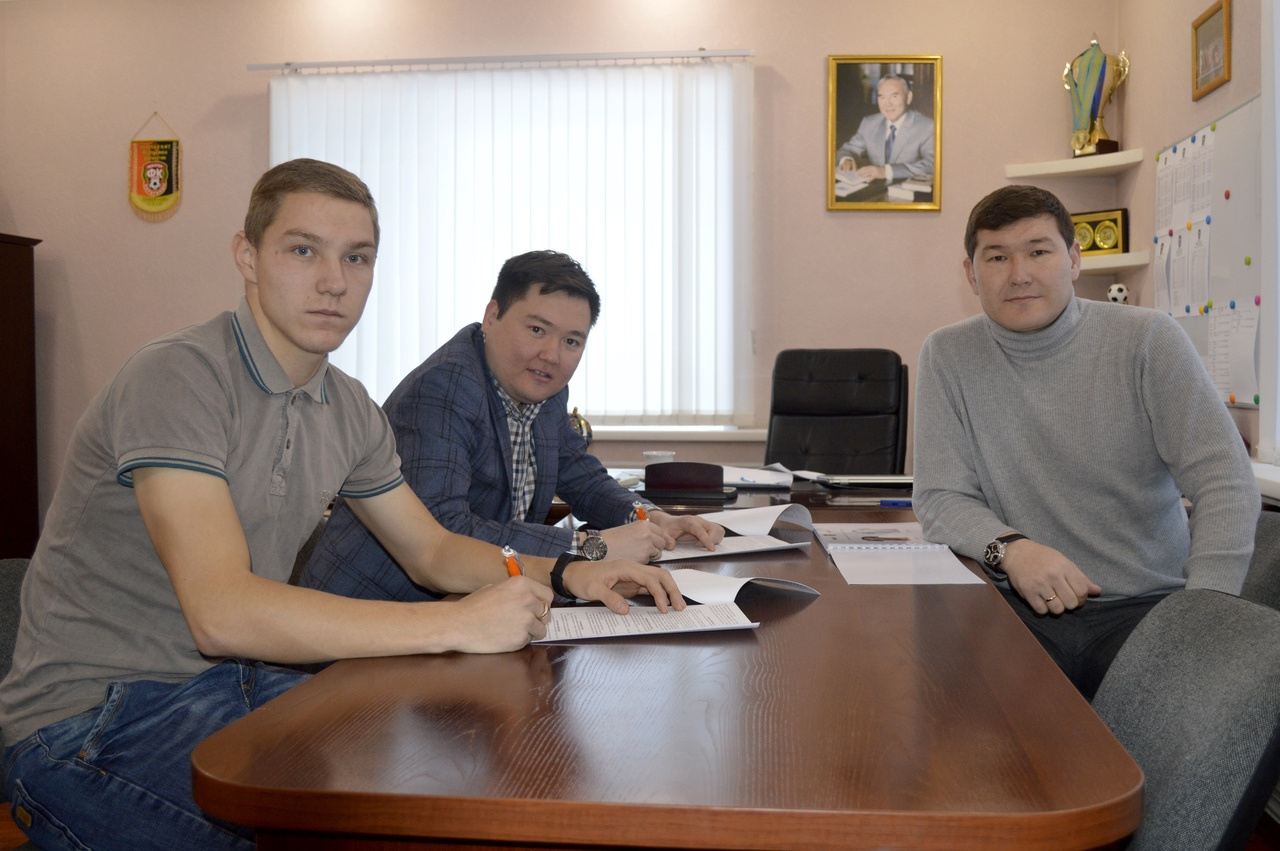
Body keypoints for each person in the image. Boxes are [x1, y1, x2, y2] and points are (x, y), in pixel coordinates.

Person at [0, 160, 683, 851]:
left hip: (236, 688)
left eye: (356, 257)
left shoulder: (349, 405)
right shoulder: (179, 374)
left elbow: (432, 549)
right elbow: (221, 612)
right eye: (303, 250)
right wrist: (455, 622)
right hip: (90, 719)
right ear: (247, 256)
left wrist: (568, 572)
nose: (334, 280)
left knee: (450, 795)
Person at [913, 184, 1258, 700]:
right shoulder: (947, 355)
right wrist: (1012, 550)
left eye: (1038, 251)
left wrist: (1203, 611)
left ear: (1074, 259)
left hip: (1145, 610)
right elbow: (941, 496)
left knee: (1151, 742)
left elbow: (1225, 482)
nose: (1019, 274)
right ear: (971, 272)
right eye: (997, 257)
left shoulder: (1148, 339)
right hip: (1017, 608)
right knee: (942, 709)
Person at [300, 249, 724, 603]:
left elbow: (579, 474)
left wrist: (650, 517)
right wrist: (589, 548)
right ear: (492, 316)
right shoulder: (445, 388)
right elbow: (446, 531)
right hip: (376, 616)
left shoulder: (543, 386)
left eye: (571, 341)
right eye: (537, 329)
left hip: (476, 607)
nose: (552, 355)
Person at [835, 73, 934, 183]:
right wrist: (846, 159)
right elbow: (848, 149)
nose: (888, 104)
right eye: (882, 97)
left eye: (894, 96)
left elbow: (933, 165)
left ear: (908, 97)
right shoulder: (869, 123)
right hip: (875, 189)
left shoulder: (927, 127)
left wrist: (885, 171)